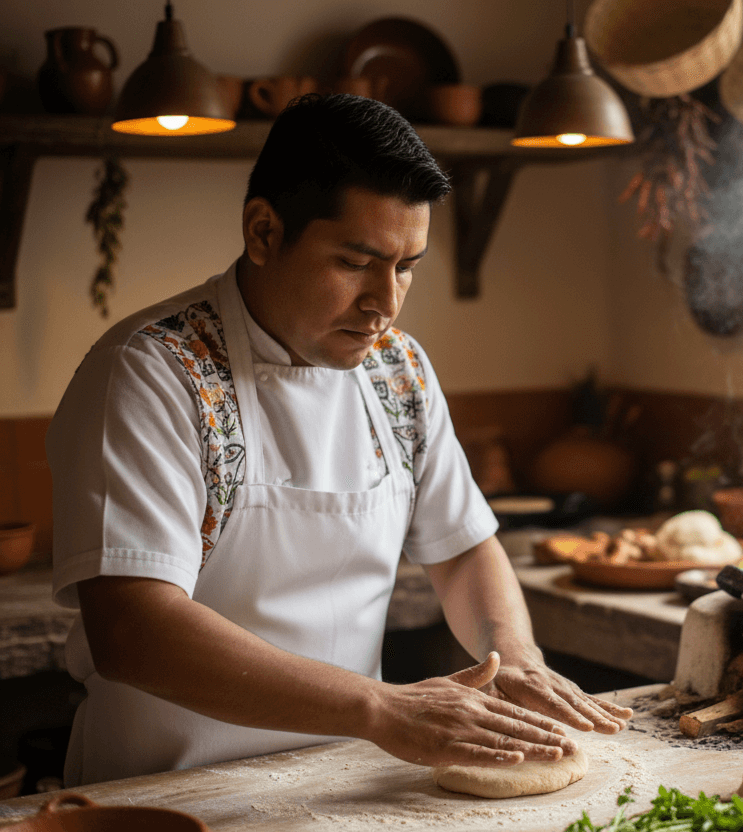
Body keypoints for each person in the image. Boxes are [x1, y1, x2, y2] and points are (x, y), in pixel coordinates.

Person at [46, 93, 631, 787]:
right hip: (164, 793)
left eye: (406, 266)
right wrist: (380, 708)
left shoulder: (399, 370)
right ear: (263, 232)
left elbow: (466, 548)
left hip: (340, 785)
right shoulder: (152, 373)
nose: (384, 303)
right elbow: (132, 631)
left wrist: (516, 652)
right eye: (356, 262)